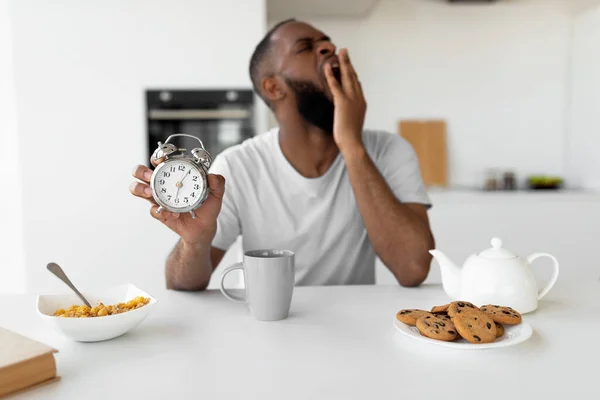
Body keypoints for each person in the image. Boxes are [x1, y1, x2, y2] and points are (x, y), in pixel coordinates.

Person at [130, 19, 435, 290]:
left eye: (327, 42)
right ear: (273, 87)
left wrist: (352, 147)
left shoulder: (390, 151)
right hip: (265, 330)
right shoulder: (236, 167)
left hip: (354, 337)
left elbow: (412, 268)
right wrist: (194, 242)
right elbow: (182, 284)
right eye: (306, 47)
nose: (329, 47)